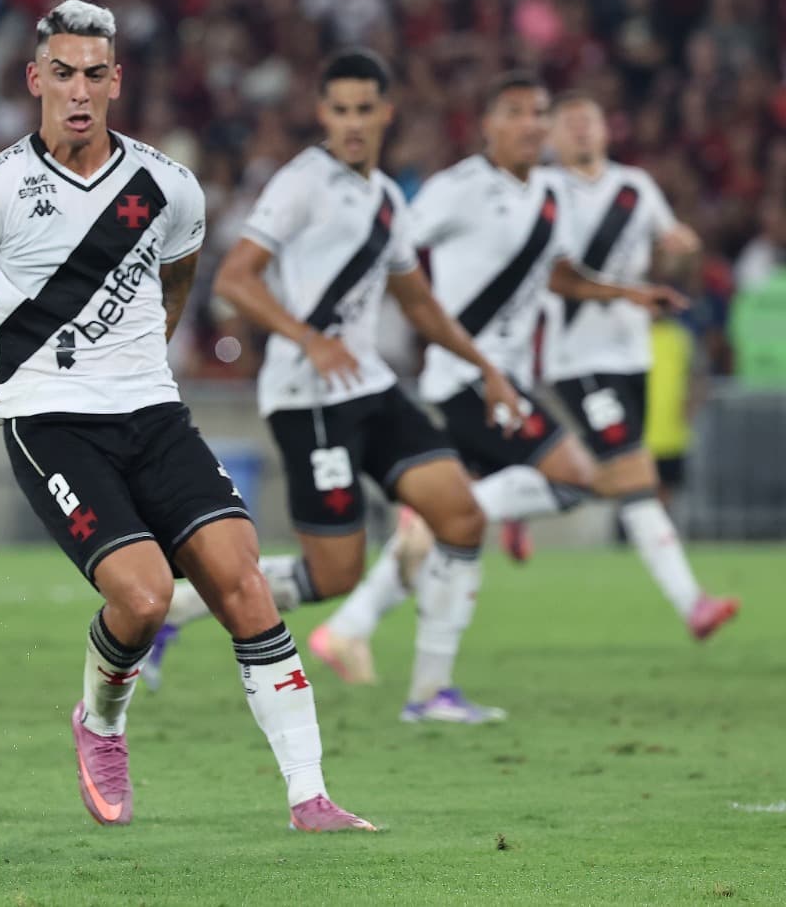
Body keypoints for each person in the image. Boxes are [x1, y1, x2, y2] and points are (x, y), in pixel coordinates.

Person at [0, 0, 375, 832]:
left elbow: (176, 285)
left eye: (95, 75)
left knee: (243, 580)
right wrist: (29, 374)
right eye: (62, 73)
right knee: (141, 598)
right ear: (34, 78)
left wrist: (132, 363)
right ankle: (100, 721)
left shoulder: (168, 186)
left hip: (151, 409)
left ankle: (309, 795)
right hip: (49, 418)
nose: (79, 91)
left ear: (116, 82)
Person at [148, 50, 525, 724]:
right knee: (334, 575)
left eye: (364, 110)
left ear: (386, 112)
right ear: (324, 114)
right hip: (309, 397)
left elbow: (420, 303)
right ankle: (179, 606)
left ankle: (429, 693)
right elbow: (235, 277)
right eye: (341, 110)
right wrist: (308, 338)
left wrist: (486, 368)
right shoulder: (302, 183)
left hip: (369, 385)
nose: (353, 122)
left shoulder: (386, 197)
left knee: (462, 514)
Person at [315, 75, 718, 671]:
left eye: (538, 111)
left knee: (462, 523)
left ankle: (349, 627)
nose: (531, 122)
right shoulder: (458, 188)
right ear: (488, 125)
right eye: (516, 112)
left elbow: (560, 276)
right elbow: (392, 245)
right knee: (588, 476)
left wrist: (630, 294)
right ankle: (445, 520)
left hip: (508, 378)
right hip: (470, 376)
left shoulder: (547, 197)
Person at [516, 92, 738, 632]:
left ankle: (506, 496)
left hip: (631, 352)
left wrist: (681, 249)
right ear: (551, 137)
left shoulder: (636, 188)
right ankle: (693, 603)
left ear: (606, 130)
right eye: (569, 124)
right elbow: (550, 274)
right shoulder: (544, 191)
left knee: (614, 475)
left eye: (589, 120)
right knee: (635, 477)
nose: (582, 131)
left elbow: (669, 254)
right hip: (576, 356)